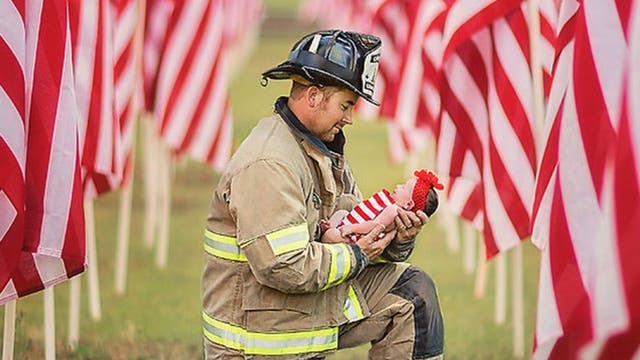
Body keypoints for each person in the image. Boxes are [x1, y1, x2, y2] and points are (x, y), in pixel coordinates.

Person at [202, 30, 444, 359]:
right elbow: (284, 266)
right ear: (314, 96)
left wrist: (397, 237)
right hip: (262, 337)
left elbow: (359, 224)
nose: (349, 118)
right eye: (345, 105)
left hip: (300, 308)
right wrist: (357, 254)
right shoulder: (269, 162)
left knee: (412, 293)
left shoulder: (320, 151)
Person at [321, 170, 444, 244]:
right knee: (342, 213)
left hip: (356, 236)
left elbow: (375, 225)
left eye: (403, 187)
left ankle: (327, 234)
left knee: (330, 236)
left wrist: (352, 228)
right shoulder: (389, 205)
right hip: (352, 224)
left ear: (408, 204)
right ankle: (328, 226)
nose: (398, 186)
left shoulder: (393, 210)